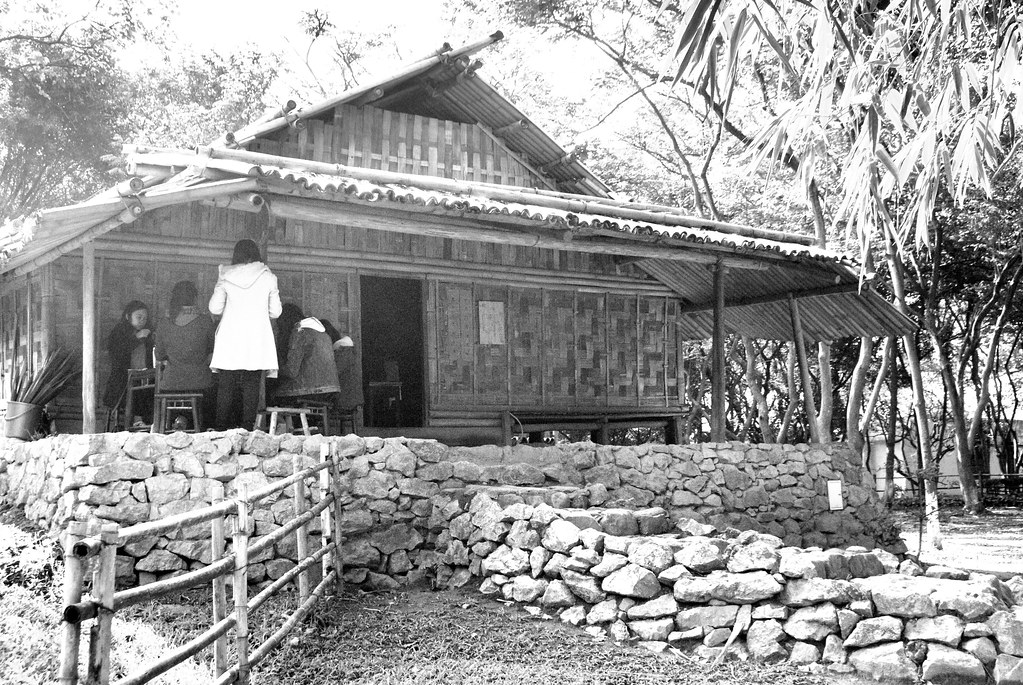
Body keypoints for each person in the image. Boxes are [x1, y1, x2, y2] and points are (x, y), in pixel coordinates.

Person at [209, 239, 282, 429]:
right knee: (252, 381)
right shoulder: (268, 277)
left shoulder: (226, 275)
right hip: (256, 336)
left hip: (230, 336)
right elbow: (276, 312)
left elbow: (215, 308)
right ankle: (248, 427)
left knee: (227, 381)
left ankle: (220, 427)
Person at [154, 280, 216, 429]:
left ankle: (174, 425)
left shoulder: (164, 323)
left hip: (171, 384)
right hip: (201, 383)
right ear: (195, 299)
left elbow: (159, 355)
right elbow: (213, 349)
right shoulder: (205, 321)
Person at [274, 306, 340, 408]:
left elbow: (291, 371)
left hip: (308, 390)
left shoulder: (299, 332)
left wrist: (276, 370)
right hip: (331, 391)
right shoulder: (323, 334)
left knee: (273, 393)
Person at [103, 300, 155, 425]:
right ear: (128, 316)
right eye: (139, 317)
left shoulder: (148, 333)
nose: (142, 320)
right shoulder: (119, 332)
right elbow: (117, 354)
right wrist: (136, 338)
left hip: (145, 377)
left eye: (145, 318)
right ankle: (137, 421)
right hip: (123, 380)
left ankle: (145, 423)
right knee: (137, 389)